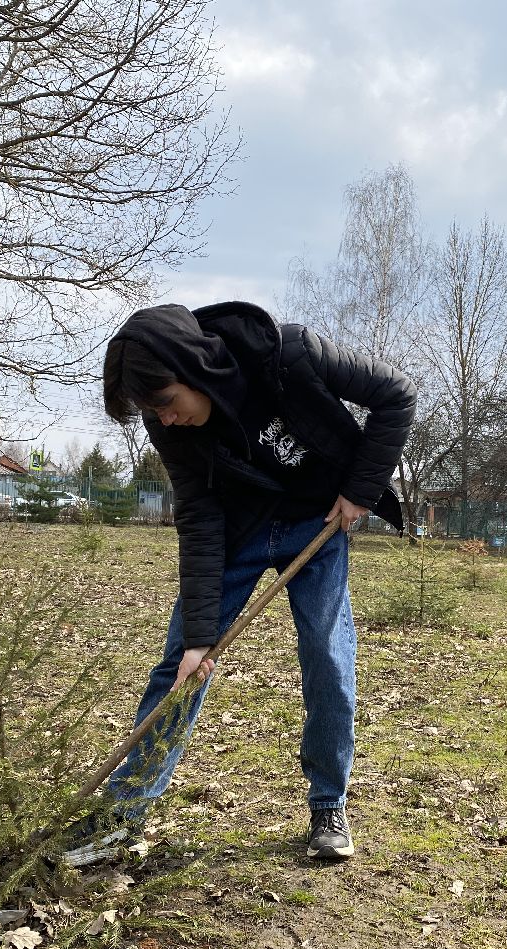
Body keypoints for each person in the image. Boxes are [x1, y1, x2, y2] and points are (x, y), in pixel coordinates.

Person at [65, 301, 415, 865]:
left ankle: (329, 802)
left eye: (167, 404)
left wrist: (361, 489)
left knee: (328, 655)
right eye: (152, 413)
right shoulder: (170, 428)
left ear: (194, 367)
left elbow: (395, 395)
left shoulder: (290, 353)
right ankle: (120, 814)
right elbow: (199, 516)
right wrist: (201, 635)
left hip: (315, 522)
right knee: (182, 660)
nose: (166, 420)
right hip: (237, 531)